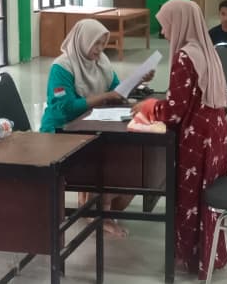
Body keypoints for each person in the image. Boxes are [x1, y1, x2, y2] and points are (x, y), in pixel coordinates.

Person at [132, 0, 227, 279]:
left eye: (166, 26)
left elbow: (175, 111)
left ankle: (190, 256)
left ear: (180, 24)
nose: (163, 33)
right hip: (215, 132)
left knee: (191, 197)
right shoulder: (206, 50)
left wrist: (147, 108)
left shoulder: (186, 56)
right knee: (206, 196)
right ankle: (208, 254)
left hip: (196, 136)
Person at [40, 19, 153, 236]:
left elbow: (116, 90)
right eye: (95, 43)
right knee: (109, 158)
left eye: (103, 43)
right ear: (83, 41)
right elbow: (63, 108)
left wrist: (138, 82)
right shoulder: (62, 67)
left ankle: (96, 207)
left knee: (124, 153)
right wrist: (103, 97)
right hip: (61, 131)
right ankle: (99, 213)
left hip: (90, 125)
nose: (100, 49)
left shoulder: (101, 62)